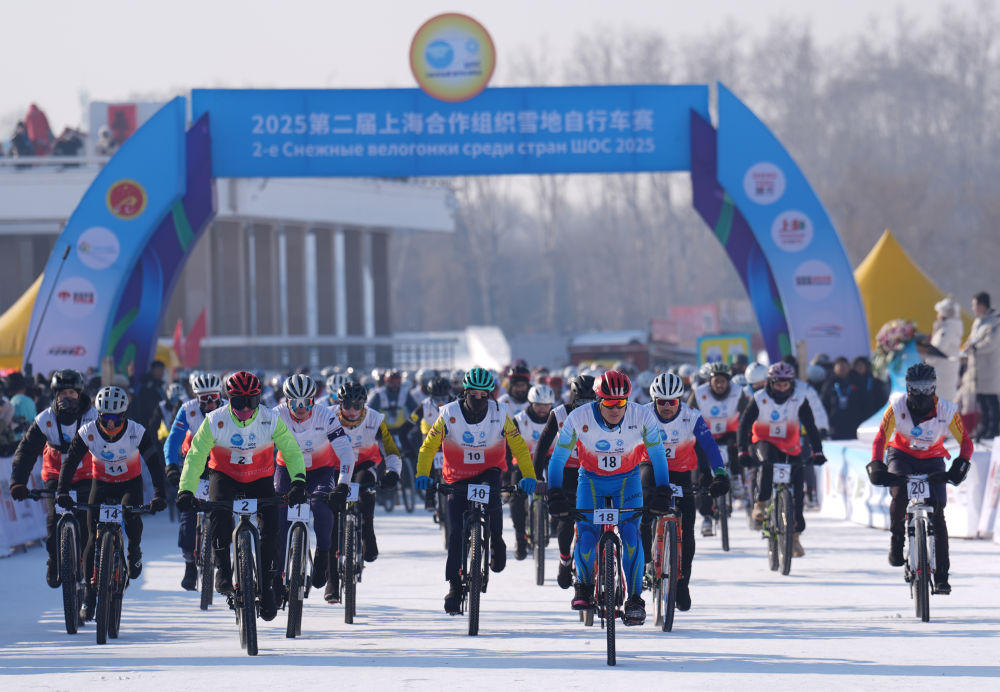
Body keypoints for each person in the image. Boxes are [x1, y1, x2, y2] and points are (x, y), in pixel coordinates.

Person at [175, 371, 307, 622]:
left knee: (271, 529)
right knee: (219, 517)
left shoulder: (270, 419)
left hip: (260, 478)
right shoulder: (214, 420)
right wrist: (186, 490)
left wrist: (299, 481)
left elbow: (291, 450)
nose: (245, 408)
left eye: (251, 402)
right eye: (238, 402)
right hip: (225, 476)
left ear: (259, 400)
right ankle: (223, 571)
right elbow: (195, 458)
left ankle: (268, 583)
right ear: (228, 400)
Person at [546, 370, 672, 626]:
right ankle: (582, 586)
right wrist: (555, 492)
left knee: (631, 536)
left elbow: (658, 455)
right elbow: (558, 459)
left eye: (621, 403)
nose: (616, 409)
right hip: (591, 480)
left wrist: (662, 489)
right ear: (598, 400)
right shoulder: (578, 417)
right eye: (609, 403)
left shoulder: (642, 416)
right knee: (587, 535)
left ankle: (635, 599)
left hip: (628, 480)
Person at [415, 367, 536, 615]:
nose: (480, 400)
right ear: (465, 392)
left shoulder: (501, 413)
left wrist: (529, 477)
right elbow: (428, 448)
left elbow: (520, 448)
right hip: (457, 476)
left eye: (485, 395)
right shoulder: (447, 414)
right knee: (456, 534)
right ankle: (454, 588)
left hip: (489, 471)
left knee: (492, 498)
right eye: (475, 395)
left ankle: (497, 542)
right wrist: (422, 474)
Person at [57, 386, 167, 619]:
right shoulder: (87, 432)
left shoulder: (137, 432)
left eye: (115, 418)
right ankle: (89, 595)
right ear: (98, 415)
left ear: (124, 416)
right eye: (105, 418)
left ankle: (134, 550)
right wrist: (62, 491)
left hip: (130, 484)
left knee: (131, 515)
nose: (109, 424)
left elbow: (155, 464)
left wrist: (159, 494)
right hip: (101, 484)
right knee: (90, 538)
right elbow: (70, 463)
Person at [866, 363, 972, 594]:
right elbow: (881, 438)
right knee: (900, 493)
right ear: (908, 387)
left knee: (938, 511)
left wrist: (961, 463)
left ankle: (942, 575)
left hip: (933, 458)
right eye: (916, 386)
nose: (921, 391)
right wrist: (876, 463)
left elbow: (966, 441)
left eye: (926, 386)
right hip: (901, 455)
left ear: (934, 386)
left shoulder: (947, 410)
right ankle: (896, 540)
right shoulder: (896, 406)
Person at [643, 372, 729, 611]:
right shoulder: (642, 414)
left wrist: (719, 473)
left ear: (680, 400)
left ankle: (682, 584)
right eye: (662, 401)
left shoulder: (692, 417)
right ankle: (644, 561)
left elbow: (710, 446)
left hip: (681, 471)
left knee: (688, 530)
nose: (668, 406)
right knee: (644, 507)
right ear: (654, 400)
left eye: (673, 401)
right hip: (649, 466)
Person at [8, 370, 96, 589]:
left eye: (72, 392)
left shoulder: (93, 416)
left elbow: (108, 447)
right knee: (53, 522)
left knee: (87, 526)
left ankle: (88, 569)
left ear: (79, 394)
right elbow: (26, 451)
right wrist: (18, 482)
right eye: (62, 393)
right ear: (55, 395)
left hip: (86, 475)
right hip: (55, 476)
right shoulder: (46, 418)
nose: (67, 397)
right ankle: (55, 561)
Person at [273, 375, 356, 602]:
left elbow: (346, 453)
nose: (301, 409)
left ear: (314, 401)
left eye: (307, 403)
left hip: (320, 471)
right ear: (286, 401)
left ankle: (322, 555)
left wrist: (343, 485)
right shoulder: (275, 415)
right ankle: (277, 578)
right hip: (287, 471)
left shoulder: (326, 416)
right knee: (280, 519)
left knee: (322, 507)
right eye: (296, 403)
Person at [737, 362, 826, 556]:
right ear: (770, 383)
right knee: (767, 463)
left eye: (786, 385)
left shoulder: (799, 399)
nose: (782, 389)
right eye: (778, 385)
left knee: (798, 485)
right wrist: (743, 451)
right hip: (764, 441)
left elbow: (810, 426)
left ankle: (794, 535)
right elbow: (744, 425)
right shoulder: (759, 398)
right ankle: (760, 504)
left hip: (790, 444)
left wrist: (817, 452)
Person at [328, 381, 401, 585]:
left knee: (366, 489)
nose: (352, 411)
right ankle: (332, 581)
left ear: (364, 405)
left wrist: (393, 472)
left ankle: (368, 532)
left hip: (364, 464)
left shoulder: (375, 419)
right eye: (347, 405)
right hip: (335, 467)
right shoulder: (327, 416)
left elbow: (391, 450)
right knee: (332, 518)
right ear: (339, 403)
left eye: (357, 406)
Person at [531, 375, 595, 588]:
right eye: (581, 401)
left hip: (594, 471)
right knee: (567, 519)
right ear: (572, 397)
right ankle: (565, 559)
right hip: (566, 471)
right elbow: (542, 445)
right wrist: (537, 476)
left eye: (590, 401)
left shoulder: (604, 412)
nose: (586, 406)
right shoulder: (559, 414)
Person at [163, 372, 226, 591]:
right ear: (195, 397)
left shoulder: (229, 409)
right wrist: (170, 465)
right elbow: (172, 440)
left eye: (213, 398)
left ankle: (223, 556)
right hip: (195, 463)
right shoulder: (187, 410)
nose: (209, 403)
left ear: (221, 395)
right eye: (204, 399)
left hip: (222, 464)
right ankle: (190, 562)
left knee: (224, 511)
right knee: (188, 511)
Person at [688, 362, 747, 536]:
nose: (720, 385)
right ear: (710, 381)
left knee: (735, 445)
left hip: (729, 433)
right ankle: (706, 516)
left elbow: (747, 414)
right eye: (716, 381)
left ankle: (736, 477)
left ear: (729, 381)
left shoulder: (737, 392)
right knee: (703, 473)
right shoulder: (699, 393)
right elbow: (687, 415)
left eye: (723, 381)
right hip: (706, 436)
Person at [511, 383, 556, 560]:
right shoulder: (520, 420)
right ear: (530, 403)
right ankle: (520, 537)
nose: (543, 409)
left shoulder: (556, 418)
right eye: (539, 405)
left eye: (547, 405)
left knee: (561, 489)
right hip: (524, 461)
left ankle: (553, 522)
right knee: (517, 498)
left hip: (549, 459)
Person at [409, 376, 454, 510]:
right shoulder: (424, 406)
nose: (440, 402)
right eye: (436, 399)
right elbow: (410, 421)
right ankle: (430, 497)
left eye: (444, 399)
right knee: (427, 461)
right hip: (429, 438)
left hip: (449, 438)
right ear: (430, 396)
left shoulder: (456, 403)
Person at [962, 291, 1000, 440]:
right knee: (981, 399)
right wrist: (967, 346)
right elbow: (973, 339)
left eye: (974, 305)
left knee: (991, 400)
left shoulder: (995, 321)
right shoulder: (978, 322)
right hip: (976, 369)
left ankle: (994, 428)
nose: (973, 308)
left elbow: (991, 343)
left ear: (982, 306)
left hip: (989, 368)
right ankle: (984, 427)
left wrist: (975, 348)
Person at [820, 357, 866, 440]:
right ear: (834, 369)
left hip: (855, 426)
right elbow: (823, 406)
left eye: (844, 367)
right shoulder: (829, 385)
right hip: (835, 428)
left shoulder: (857, 382)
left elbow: (865, 403)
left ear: (849, 368)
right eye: (840, 368)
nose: (842, 369)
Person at [928, 296, 963, 401]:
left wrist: (926, 361)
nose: (937, 315)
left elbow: (937, 351)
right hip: (945, 371)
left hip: (942, 373)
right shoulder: (949, 328)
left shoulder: (947, 330)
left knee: (940, 405)